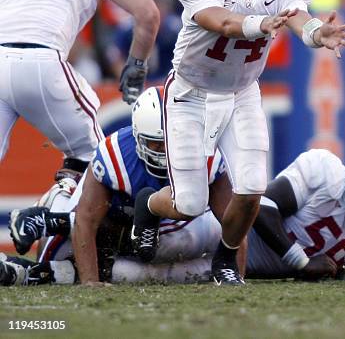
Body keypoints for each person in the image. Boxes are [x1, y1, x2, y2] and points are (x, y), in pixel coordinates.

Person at [133, 0, 345, 286]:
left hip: (240, 93)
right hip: (190, 93)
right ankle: (147, 207)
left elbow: (298, 17)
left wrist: (317, 33)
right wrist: (258, 24)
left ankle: (224, 259)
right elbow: (218, 21)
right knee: (189, 203)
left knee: (252, 189)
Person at [2, 148, 345, 287]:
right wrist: (301, 261)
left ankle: (36, 274)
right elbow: (265, 207)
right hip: (227, 233)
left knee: (140, 276)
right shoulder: (326, 169)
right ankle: (52, 218)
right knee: (167, 241)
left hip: (227, 268)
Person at [0, 0, 160, 184]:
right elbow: (148, 14)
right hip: (39, 55)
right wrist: (136, 65)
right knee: (98, 167)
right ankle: (53, 222)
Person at [4, 87, 231, 286]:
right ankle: (58, 206)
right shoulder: (116, 155)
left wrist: (233, 271)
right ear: (137, 136)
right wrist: (89, 280)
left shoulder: (207, 153)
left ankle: (48, 243)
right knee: (56, 250)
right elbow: (87, 218)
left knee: (156, 263)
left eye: (172, 142)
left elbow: (237, 222)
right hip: (122, 215)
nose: (165, 152)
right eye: (156, 143)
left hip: (172, 225)